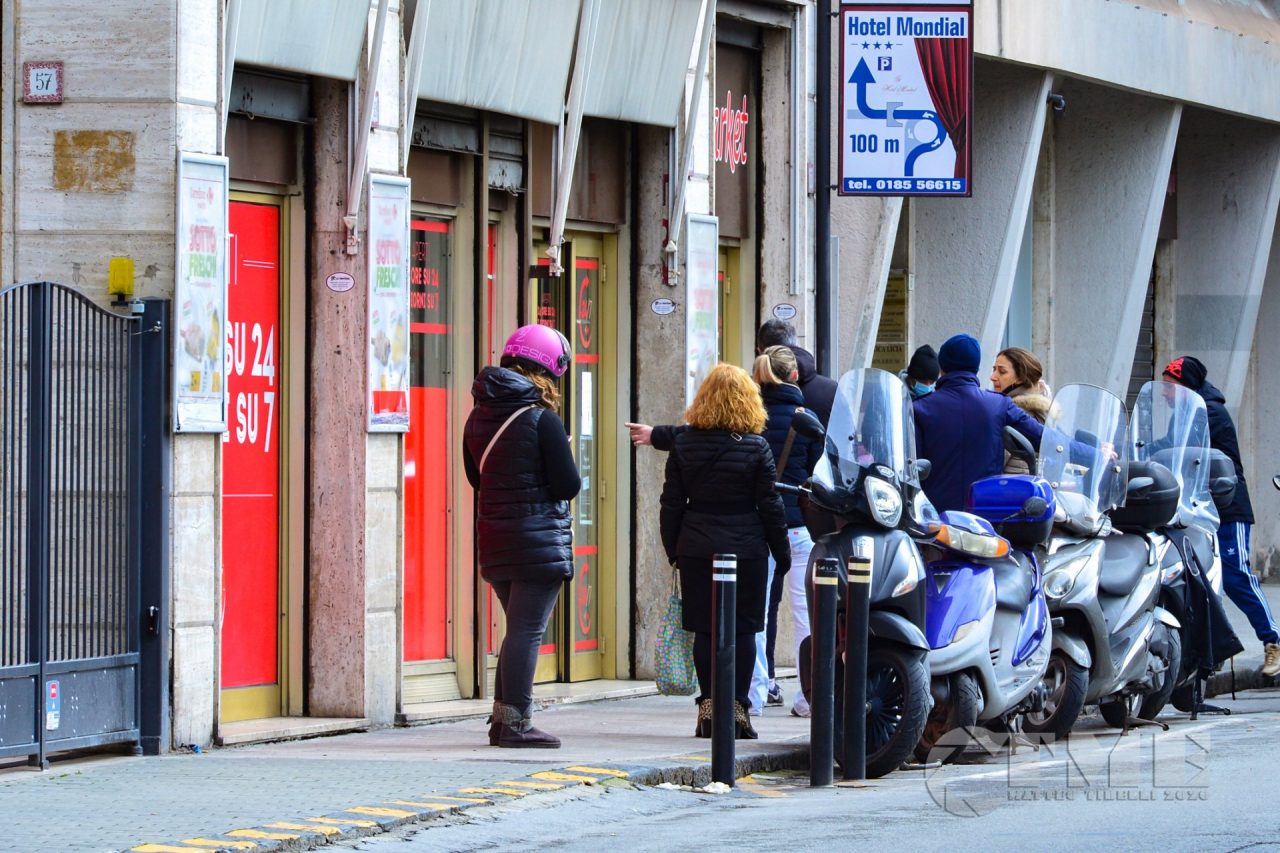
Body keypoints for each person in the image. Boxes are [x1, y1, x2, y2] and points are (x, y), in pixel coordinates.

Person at [462, 324, 581, 748]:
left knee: (517, 630)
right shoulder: (542, 419)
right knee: (526, 632)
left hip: (496, 540)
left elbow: (476, 477)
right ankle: (515, 724)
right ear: (546, 370)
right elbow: (568, 485)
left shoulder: (480, 415)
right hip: (537, 543)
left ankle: (503, 720)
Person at [659, 363, 791, 739]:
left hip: (697, 547)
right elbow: (770, 505)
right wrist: (782, 554)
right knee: (746, 630)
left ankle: (706, 711)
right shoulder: (756, 447)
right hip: (746, 548)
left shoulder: (683, 443)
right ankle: (736, 711)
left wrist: (675, 549)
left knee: (704, 629)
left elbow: (671, 503)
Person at [1162, 355, 1280, 677]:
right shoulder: (1185, 414)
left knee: (1236, 576)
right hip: (1197, 509)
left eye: (1169, 386)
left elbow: (1201, 458)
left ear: (1185, 386)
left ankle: (1274, 642)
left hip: (1228, 508)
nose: (1164, 393)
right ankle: (1205, 655)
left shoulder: (1209, 413)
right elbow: (1168, 449)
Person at [747, 346, 822, 717]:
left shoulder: (749, 419)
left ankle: (755, 694)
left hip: (759, 525)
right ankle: (809, 696)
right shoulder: (806, 419)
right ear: (794, 376)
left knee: (756, 613)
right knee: (806, 611)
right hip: (798, 527)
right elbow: (817, 473)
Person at [913, 333, 1046, 513]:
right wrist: (1091, 450)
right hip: (986, 516)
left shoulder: (920, 408)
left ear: (941, 367)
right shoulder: (999, 403)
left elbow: (912, 467)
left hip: (934, 518)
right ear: (975, 367)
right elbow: (1044, 438)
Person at [989, 346, 1052, 473]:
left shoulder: (1013, 414)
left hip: (1009, 489)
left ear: (1021, 378)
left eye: (1002, 371)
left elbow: (991, 463)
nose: (993, 376)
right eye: (994, 369)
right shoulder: (1042, 411)